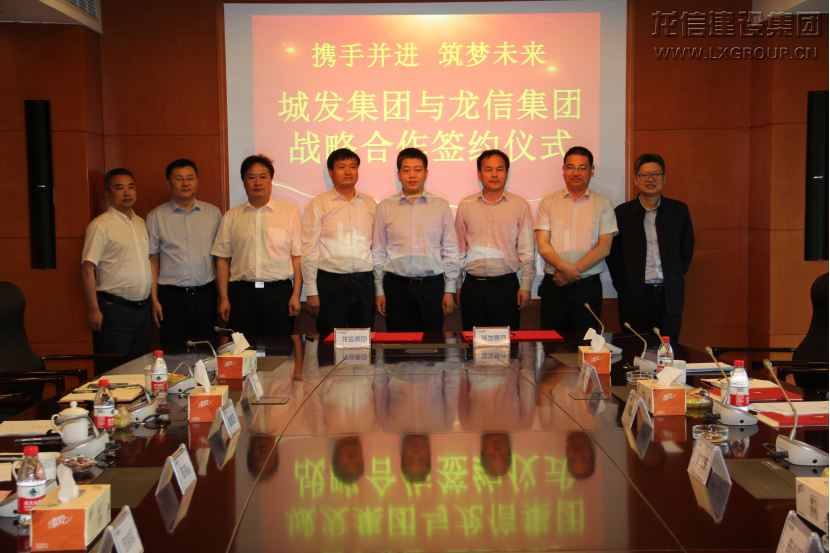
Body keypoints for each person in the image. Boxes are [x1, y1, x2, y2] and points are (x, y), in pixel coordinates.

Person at [211, 154, 302, 336]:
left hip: (278, 295)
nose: (257, 182)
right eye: (251, 177)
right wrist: (224, 297)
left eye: (263, 176)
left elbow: (297, 258)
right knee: (242, 349)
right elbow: (222, 260)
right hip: (241, 295)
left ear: (271, 180)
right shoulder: (231, 216)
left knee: (280, 350)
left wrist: (296, 295)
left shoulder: (289, 213)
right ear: (244, 182)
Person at [607, 153, 694, 343]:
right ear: (635, 179)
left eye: (656, 174)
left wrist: (673, 276)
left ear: (664, 178)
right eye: (644, 175)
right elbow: (613, 257)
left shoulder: (678, 211)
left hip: (669, 298)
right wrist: (626, 285)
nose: (650, 179)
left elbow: (686, 252)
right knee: (635, 350)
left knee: (668, 351)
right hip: (634, 298)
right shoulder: (622, 213)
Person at [372, 148, 460, 332]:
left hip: (432, 288)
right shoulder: (385, 207)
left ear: (426, 173)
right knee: (398, 346)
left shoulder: (441, 206)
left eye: (418, 170)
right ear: (399, 175)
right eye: (406, 170)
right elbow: (378, 251)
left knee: (432, 346)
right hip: (395, 288)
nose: (412, 175)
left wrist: (449, 289)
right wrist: (379, 290)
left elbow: (450, 250)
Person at [535, 146, 618, 335]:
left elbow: (604, 248)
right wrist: (566, 269)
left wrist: (571, 273)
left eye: (582, 167)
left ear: (592, 170)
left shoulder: (603, 204)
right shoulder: (548, 201)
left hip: (587, 288)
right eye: (571, 167)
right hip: (554, 285)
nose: (576, 173)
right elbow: (543, 244)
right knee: (551, 345)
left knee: (586, 345)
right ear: (563, 170)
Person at [455, 149, 535, 330]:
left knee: (505, 344)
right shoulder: (466, 205)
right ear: (479, 174)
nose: (494, 174)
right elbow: (459, 249)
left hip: (506, 288)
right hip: (472, 288)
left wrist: (526, 285)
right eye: (488, 169)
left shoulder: (520, 205)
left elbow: (527, 249)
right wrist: (457, 284)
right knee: (473, 342)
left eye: (499, 169)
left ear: (507, 173)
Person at [301, 149, 377, 338]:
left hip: (365, 283)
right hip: (331, 284)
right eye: (341, 167)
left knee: (363, 340)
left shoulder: (370, 204)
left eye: (353, 167)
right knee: (330, 341)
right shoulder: (318, 204)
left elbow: (377, 247)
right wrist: (311, 291)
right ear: (330, 172)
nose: (348, 171)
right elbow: (309, 250)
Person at [146, 159, 222, 347]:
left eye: (190, 178)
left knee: (207, 353)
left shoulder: (213, 214)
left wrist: (223, 295)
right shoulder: (156, 217)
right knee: (173, 353)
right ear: (168, 184)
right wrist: (154, 299)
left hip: (206, 296)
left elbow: (220, 258)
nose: (185, 183)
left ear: (197, 182)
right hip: (171, 299)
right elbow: (153, 260)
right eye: (178, 179)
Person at [81, 168, 152, 366]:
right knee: (114, 369)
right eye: (119, 188)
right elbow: (87, 269)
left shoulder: (141, 223)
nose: (127, 192)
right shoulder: (100, 225)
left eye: (131, 187)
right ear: (107, 193)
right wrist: (93, 309)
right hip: (115, 309)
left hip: (143, 309)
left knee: (140, 367)